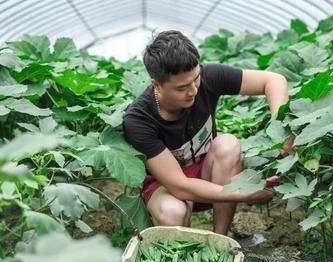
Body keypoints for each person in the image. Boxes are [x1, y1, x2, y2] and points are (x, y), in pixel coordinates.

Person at [123, 30, 291, 235]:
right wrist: (245, 193)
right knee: (172, 212)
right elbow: (180, 186)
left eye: (196, 79)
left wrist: (281, 128)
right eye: (182, 87)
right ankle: (184, 251)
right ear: (156, 84)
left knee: (227, 144)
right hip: (166, 184)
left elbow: (273, 80)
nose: (193, 90)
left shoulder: (209, 76)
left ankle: (220, 240)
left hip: (208, 171)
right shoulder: (138, 120)